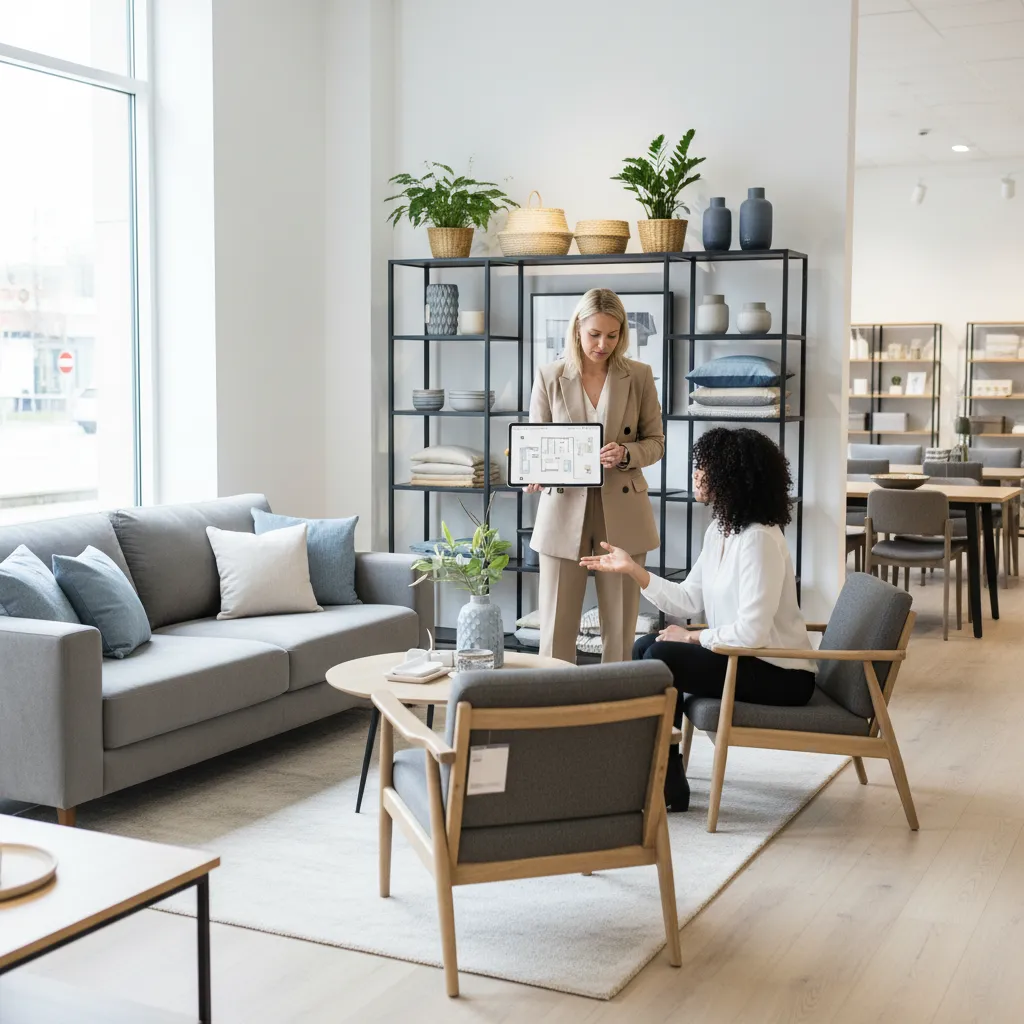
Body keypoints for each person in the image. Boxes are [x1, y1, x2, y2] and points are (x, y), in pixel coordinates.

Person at [580, 427, 815, 810]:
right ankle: (661, 776)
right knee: (646, 646)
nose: (695, 474)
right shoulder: (721, 531)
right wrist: (633, 570)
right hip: (742, 658)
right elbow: (690, 599)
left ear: (730, 475)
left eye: (703, 467)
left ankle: (660, 781)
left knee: (662, 656)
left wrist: (692, 638)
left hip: (780, 673)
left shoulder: (759, 540)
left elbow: (753, 633)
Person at [527, 288, 665, 663]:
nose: (603, 344)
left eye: (612, 335)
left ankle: (615, 713)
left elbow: (656, 443)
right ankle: (553, 708)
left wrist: (626, 453)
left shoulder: (638, 376)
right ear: (577, 329)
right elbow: (536, 442)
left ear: (622, 334)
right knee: (555, 626)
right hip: (562, 508)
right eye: (594, 334)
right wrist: (534, 471)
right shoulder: (550, 375)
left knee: (620, 629)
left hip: (621, 508)